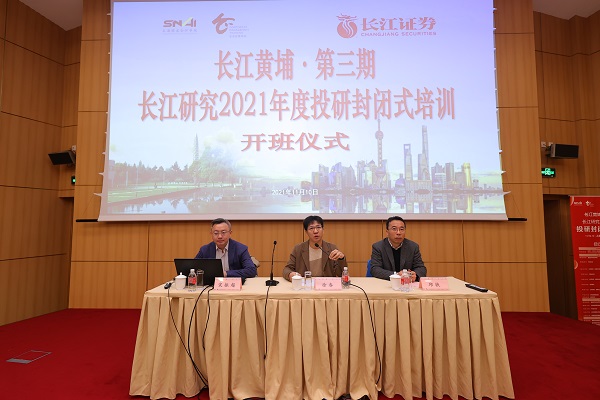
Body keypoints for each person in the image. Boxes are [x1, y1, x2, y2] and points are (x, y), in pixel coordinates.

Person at [283, 215, 347, 281]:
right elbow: (287, 269)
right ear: (306, 232)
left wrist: (341, 259)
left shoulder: (332, 248)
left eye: (318, 227)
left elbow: (341, 274)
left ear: (323, 230)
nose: (315, 231)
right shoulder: (298, 249)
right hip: (306, 284)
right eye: (311, 228)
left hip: (325, 285)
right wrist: (290, 274)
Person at [370, 216, 426, 282]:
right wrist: (397, 275)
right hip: (386, 283)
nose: (398, 233)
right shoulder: (378, 247)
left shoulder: (413, 247)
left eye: (401, 229)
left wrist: (415, 274)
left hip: (407, 284)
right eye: (394, 229)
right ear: (387, 232)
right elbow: (375, 269)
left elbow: (421, 268)